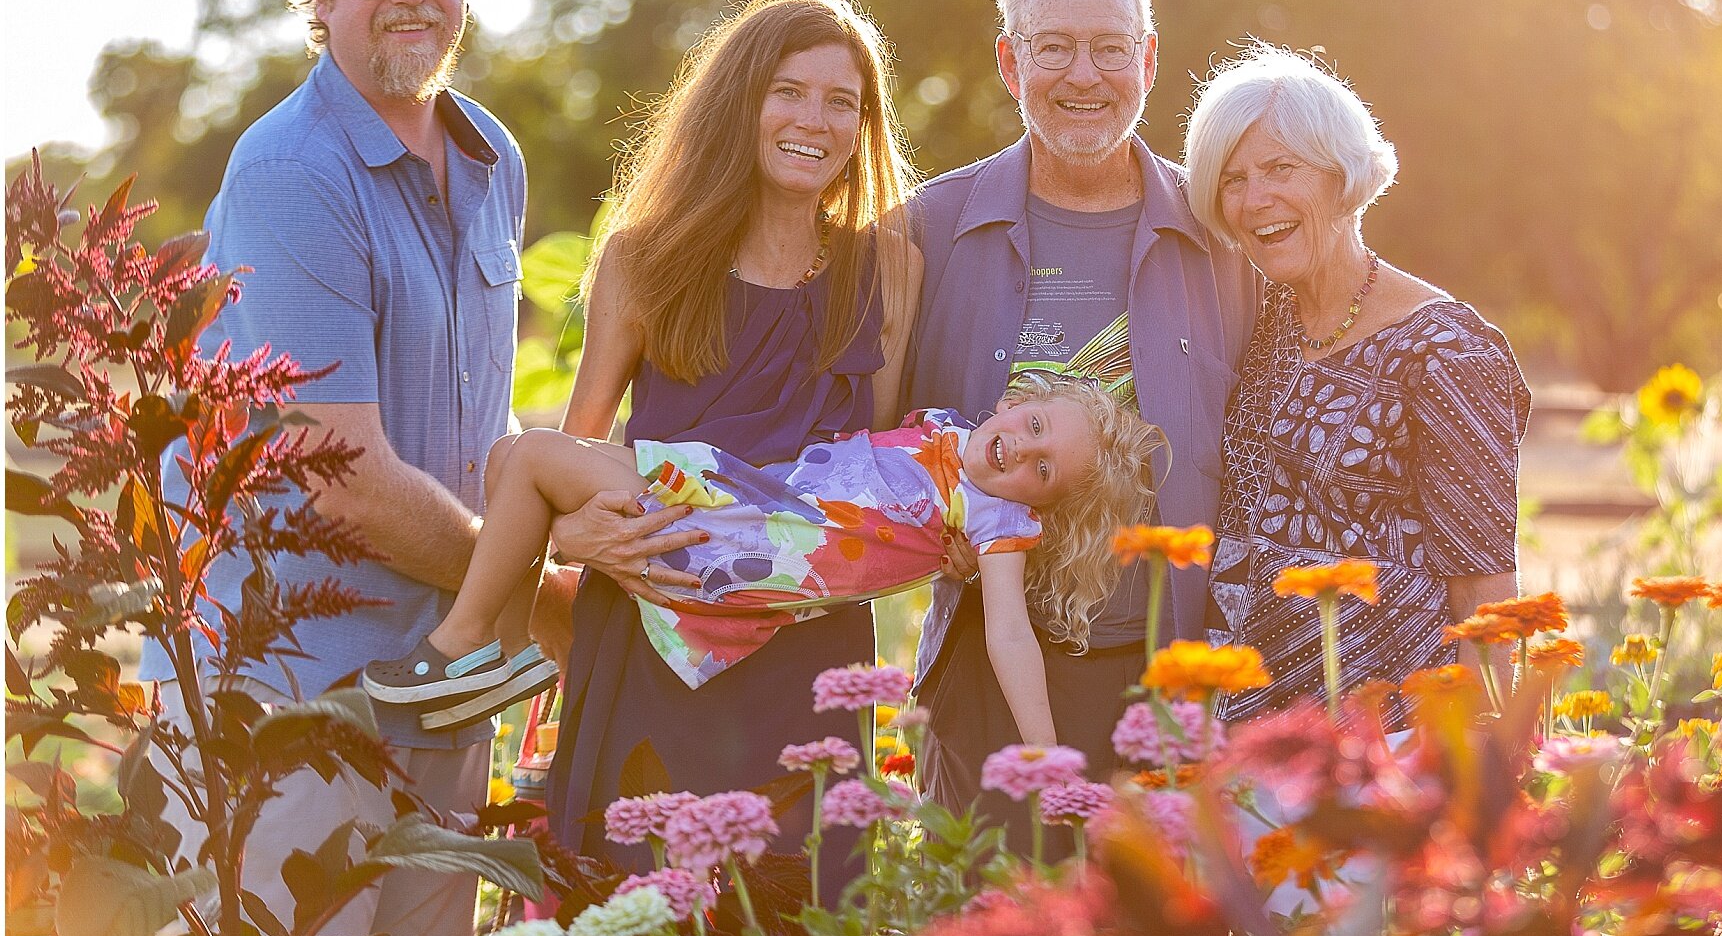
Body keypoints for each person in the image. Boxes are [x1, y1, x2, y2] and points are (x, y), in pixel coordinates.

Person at [137, 0, 521, 936]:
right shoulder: (288, 172)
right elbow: (340, 475)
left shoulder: (491, 152)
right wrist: (539, 598)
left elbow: (474, 425)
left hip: (446, 665)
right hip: (293, 688)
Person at [539, 0, 919, 875]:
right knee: (637, 913)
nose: (813, 120)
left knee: (801, 913)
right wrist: (570, 534)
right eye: (787, 91)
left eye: (842, 102)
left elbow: (883, 467)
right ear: (738, 100)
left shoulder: (889, 269)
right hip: (652, 633)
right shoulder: (644, 257)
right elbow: (575, 454)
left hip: (809, 653)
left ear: (862, 128)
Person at [901, 0, 1258, 828]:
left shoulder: (1225, 241)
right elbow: (868, 440)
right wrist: (924, 523)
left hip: (1170, 675)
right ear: (1009, 60)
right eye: (1052, 46)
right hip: (984, 672)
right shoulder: (927, 230)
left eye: (1109, 47)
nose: (1082, 74)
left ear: (1148, 59)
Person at [366, 372, 1159, 743]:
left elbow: (1009, 635)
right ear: (1020, 400)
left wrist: (1046, 747)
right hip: (741, 496)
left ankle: (456, 646)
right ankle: (507, 655)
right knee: (511, 459)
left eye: (1042, 470)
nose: (1020, 449)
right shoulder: (948, 428)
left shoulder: (995, 521)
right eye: (1034, 425)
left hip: (747, 546)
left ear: (1038, 505)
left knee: (534, 456)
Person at [1181, 43, 1531, 725]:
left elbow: (1486, 588)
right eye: (1232, 178)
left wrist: (1488, 767)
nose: (1256, 200)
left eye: (1281, 168)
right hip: (1245, 733)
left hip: (1393, 740)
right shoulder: (1255, 320)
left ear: (1341, 176)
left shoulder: (1447, 351)